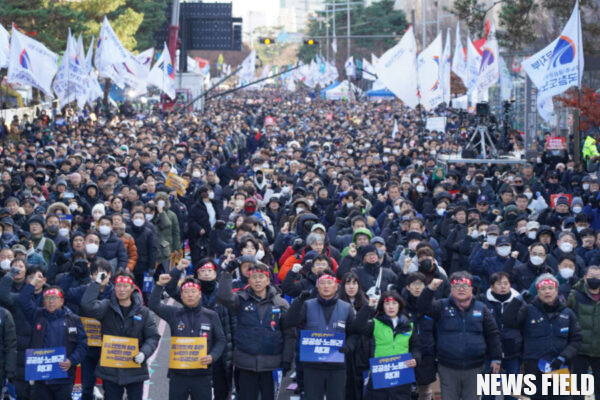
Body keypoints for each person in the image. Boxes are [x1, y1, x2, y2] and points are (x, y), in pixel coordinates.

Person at [418, 271, 502, 400]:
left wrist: (496, 358)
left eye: (465, 286)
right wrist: (430, 289)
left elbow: (492, 334)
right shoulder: (441, 306)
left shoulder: (481, 308)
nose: (461, 289)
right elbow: (423, 307)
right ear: (451, 288)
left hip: (475, 366)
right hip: (447, 366)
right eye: (457, 286)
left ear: (471, 289)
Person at [217, 263, 294, 400]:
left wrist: (287, 358)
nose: (257, 280)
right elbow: (224, 297)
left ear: (268, 280)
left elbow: (289, 333)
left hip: (272, 364)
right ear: (249, 280)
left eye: (261, 277)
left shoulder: (280, 303)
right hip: (246, 363)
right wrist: (227, 273)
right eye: (254, 277)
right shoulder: (240, 300)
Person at [80, 269, 160, 400]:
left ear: (132, 288)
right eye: (118, 286)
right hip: (110, 369)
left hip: (135, 368)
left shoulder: (144, 313)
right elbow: (87, 305)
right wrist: (96, 284)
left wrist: (144, 353)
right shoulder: (106, 307)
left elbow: (153, 337)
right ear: (114, 287)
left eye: (125, 286)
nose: (121, 290)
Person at [504, 274, 582, 400]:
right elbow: (508, 321)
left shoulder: (568, 313)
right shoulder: (528, 310)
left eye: (550, 288)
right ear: (538, 291)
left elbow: (576, 339)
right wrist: (517, 300)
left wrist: (563, 357)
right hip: (534, 366)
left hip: (560, 366)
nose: (547, 292)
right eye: (543, 288)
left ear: (556, 290)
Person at [282, 269, 357, 400]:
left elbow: (354, 333)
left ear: (336, 286)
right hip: (312, 366)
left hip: (337, 365)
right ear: (317, 286)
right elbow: (289, 322)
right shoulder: (307, 304)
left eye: (329, 283)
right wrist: (298, 301)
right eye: (322, 283)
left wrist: (349, 346)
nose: (326, 286)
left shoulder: (346, 307)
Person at [150, 272, 226, 400]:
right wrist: (159, 285)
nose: (190, 295)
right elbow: (154, 305)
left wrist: (213, 356)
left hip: (202, 375)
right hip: (178, 375)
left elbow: (221, 340)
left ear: (199, 294)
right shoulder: (173, 313)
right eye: (186, 292)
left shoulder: (211, 315)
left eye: (193, 291)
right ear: (181, 295)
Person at [18, 276, 87, 400]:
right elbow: (23, 300)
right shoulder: (37, 315)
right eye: (47, 298)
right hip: (41, 379)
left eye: (54, 298)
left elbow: (82, 345)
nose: (51, 301)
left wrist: (71, 361)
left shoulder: (74, 319)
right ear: (43, 302)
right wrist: (33, 283)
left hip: (64, 377)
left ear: (62, 301)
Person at [354, 290, 419, 400]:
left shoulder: (409, 325)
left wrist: (415, 359)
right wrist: (368, 307)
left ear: (400, 305)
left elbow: (416, 347)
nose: (391, 307)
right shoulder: (375, 323)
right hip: (380, 375)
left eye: (394, 303)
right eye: (387, 304)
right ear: (382, 306)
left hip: (401, 375)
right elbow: (358, 327)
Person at [477, 272, 523, 400]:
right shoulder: (482, 302)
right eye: (498, 284)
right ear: (492, 286)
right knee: (489, 392)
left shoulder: (519, 301)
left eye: (505, 283)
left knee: (511, 392)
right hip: (489, 353)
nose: (503, 286)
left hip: (513, 352)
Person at [568, 265, 600, 399]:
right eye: (592, 276)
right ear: (585, 277)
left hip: (599, 350)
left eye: (598, 277)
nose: (595, 279)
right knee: (577, 389)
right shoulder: (574, 295)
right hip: (579, 349)